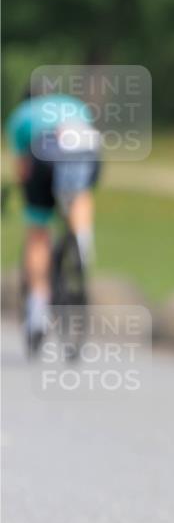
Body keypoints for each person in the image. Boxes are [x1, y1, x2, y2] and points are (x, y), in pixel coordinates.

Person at [5, 90, 102, 352]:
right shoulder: (75, 105)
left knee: (38, 232)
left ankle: (36, 309)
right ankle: (82, 243)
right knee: (79, 195)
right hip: (85, 147)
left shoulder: (21, 116)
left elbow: (23, 168)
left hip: (43, 150)